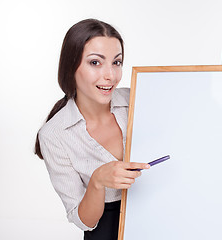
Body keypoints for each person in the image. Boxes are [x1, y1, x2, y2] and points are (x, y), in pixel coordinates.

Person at [34, 19, 150, 240]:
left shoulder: (137, 97)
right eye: (95, 63)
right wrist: (97, 181)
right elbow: (84, 221)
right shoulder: (54, 134)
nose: (110, 75)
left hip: (155, 213)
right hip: (105, 229)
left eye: (117, 62)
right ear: (71, 66)